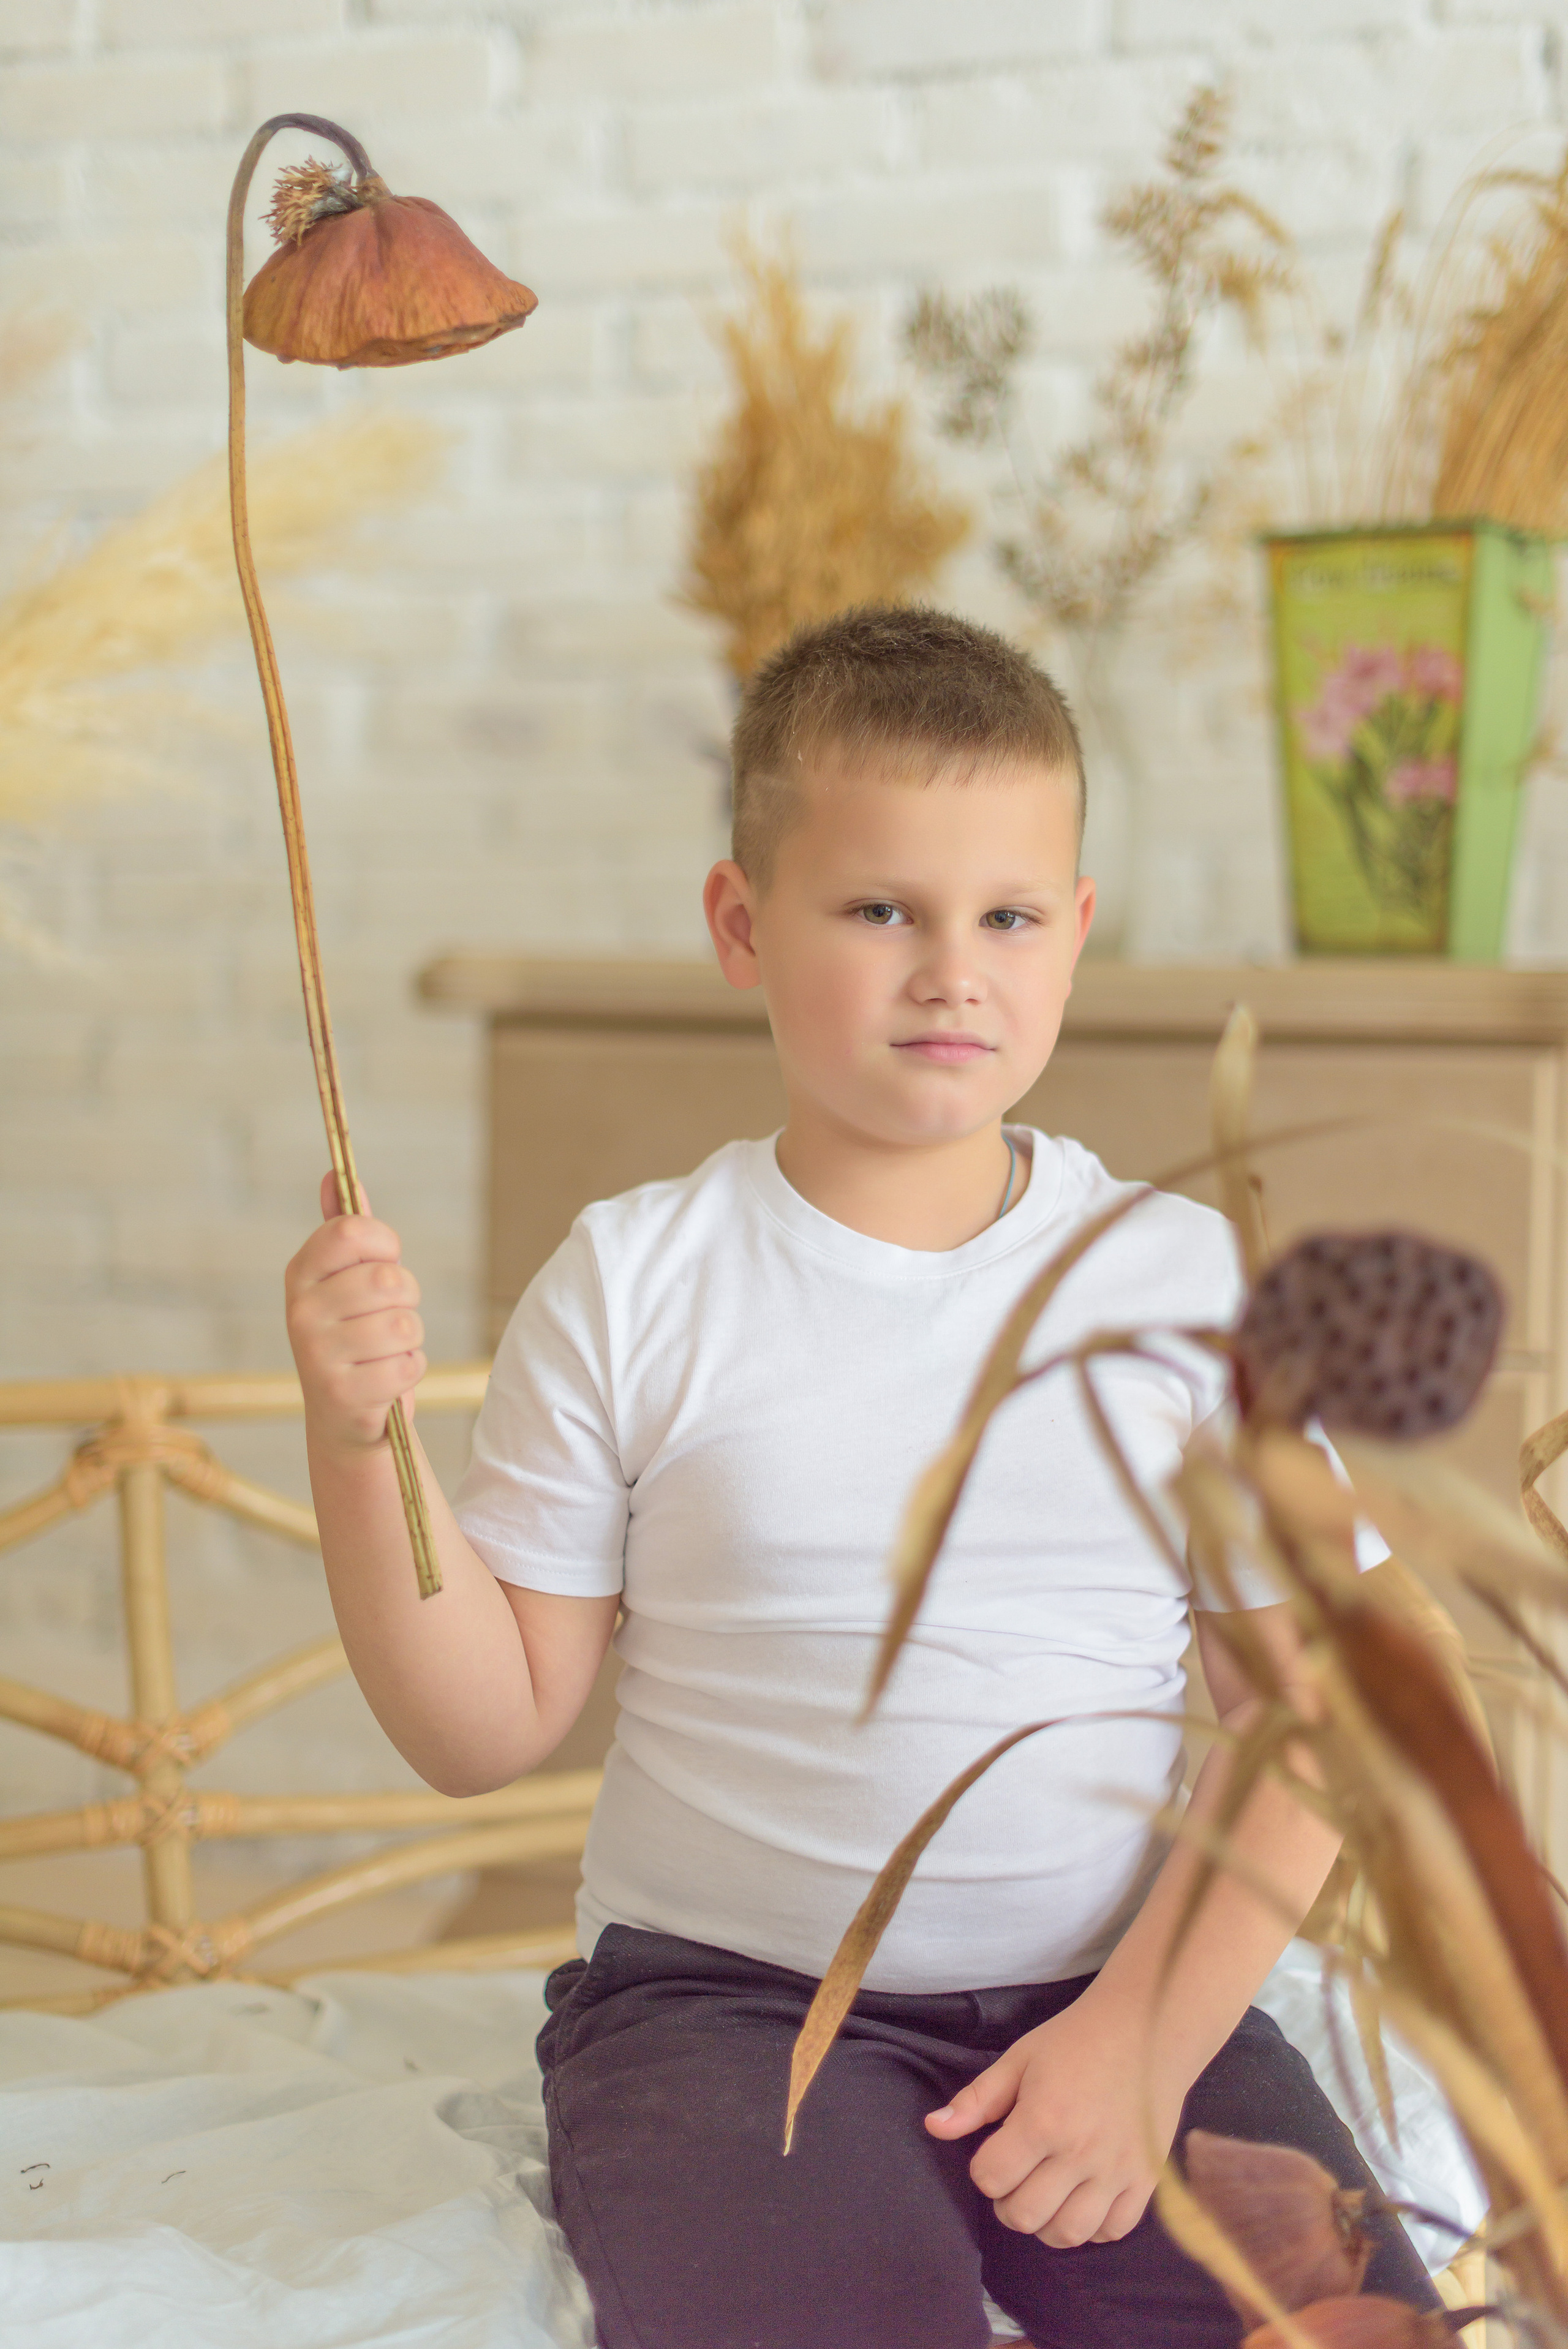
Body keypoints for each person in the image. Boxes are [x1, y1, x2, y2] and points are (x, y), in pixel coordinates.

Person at [285, 606, 1437, 2348]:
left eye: (1007, 915)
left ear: (1076, 934)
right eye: (882, 907)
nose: (951, 968)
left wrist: (1147, 2034)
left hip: (1113, 1983)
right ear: (742, 925)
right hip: (727, 2016)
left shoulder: (1182, 1284)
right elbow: (483, 1724)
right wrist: (354, 1431)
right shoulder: (636, 1278)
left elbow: (1324, 1719)